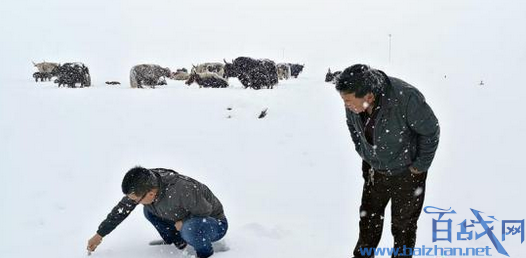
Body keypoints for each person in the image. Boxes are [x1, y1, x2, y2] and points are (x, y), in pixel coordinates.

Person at [336, 64, 440, 258]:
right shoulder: (353, 104)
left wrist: (420, 166)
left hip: (408, 174)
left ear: (369, 96)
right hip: (375, 171)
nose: (346, 105)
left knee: (403, 227)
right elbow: (353, 128)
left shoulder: (405, 98)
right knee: (368, 221)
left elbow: (431, 131)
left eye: (349, 101)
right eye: (343, 100)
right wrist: (365, 153)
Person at [86, 166, 228, 258]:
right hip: (182, 217)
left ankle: (205, 253)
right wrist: (100, 234)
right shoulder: (145, 183)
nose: (133, 202)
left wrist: (184, 223)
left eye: (136, 200)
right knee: (149, 212)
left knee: (189, 227)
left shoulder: (182, 189)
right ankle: (179, 241)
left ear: (151, 194)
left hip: (213, 223)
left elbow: (205, 211)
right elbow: (121, 210)